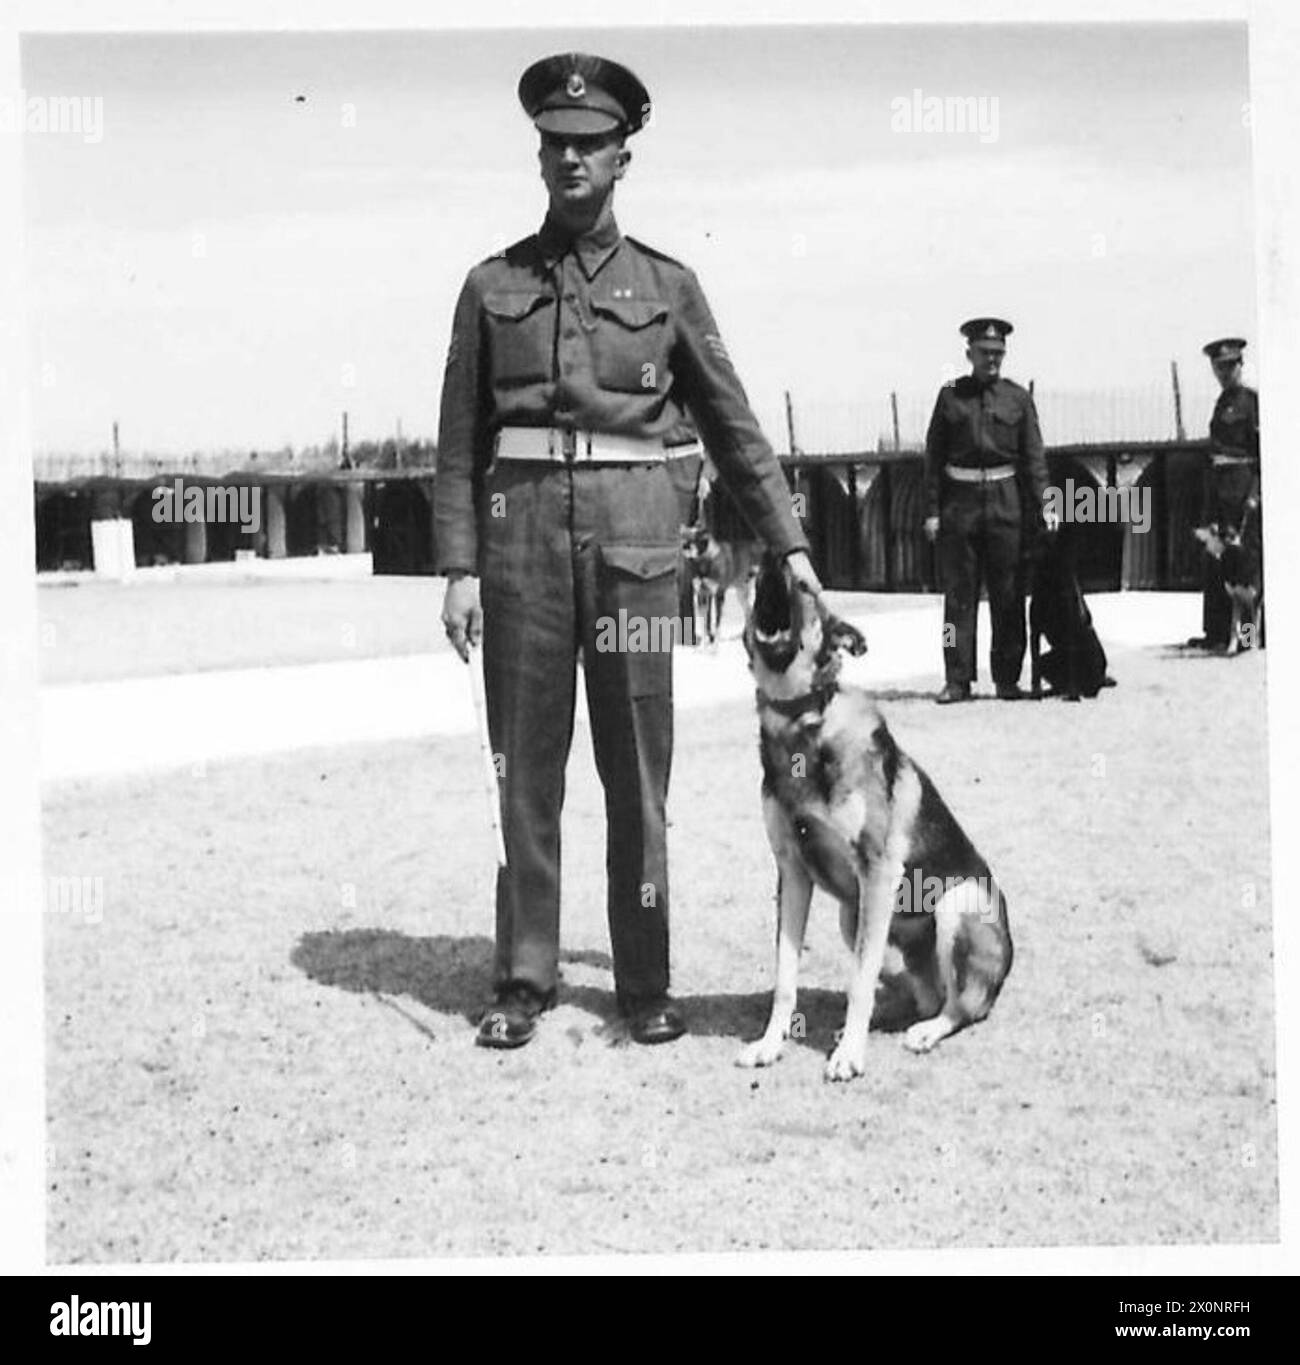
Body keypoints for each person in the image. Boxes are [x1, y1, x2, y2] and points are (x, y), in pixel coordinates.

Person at [434, 53, 821, 1050]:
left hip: (638, 548)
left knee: (636, 770)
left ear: (621, 157)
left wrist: (791, 548)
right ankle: (523, 974)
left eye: (589, 146)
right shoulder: (490, 286)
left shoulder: (669, 286)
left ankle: (643, 979)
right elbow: (457, 440)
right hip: (521, 549)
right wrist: (458, 567)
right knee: (525, 768)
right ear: (539, 157)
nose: (571, 160)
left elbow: (732, 427)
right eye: (554, 146)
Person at [922, 318, 1053, 703]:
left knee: (1009, 595)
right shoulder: (950, 396)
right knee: (957, 598)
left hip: (1005, 502)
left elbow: (1035, 458)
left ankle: (1007, 678)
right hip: (959, 504)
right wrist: (932, 511)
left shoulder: (1018, 399)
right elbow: (933, 458)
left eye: (998, 354)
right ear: (969, 354)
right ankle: (956, 679)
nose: (992, 360)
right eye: (984, 353)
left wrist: (1047, 504)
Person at [1190, 337, 1261, 650]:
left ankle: (1246, 639)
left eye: (1229, 366)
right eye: (1218, 367)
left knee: (1245, 572)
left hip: (1242, 491)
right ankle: (1217, 633)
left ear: (1240, 365)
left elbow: (1262, 455)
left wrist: (1255, 495)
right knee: (1217, 561)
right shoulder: (1222, 403)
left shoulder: (1251, 402)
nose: (1223, 372)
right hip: (1219, 490)